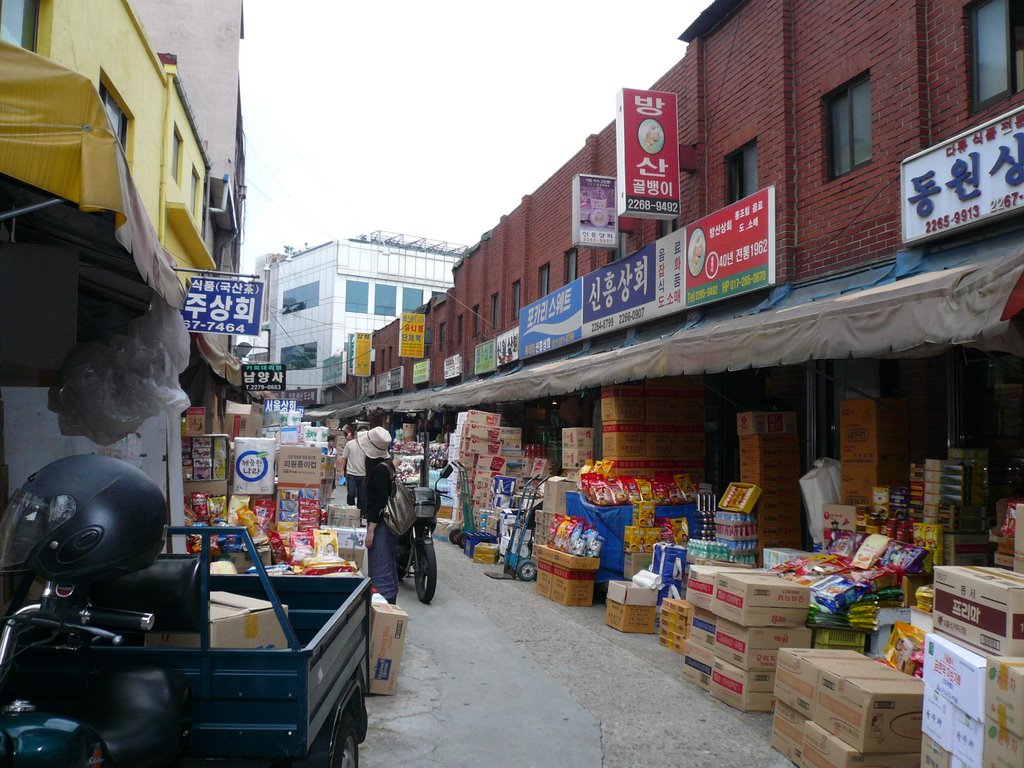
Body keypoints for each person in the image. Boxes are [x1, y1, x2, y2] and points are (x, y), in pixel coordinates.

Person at [361, 426, 398, 604]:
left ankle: (385, 613)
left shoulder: (380, 470)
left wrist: (371, 529)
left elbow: (380, 502)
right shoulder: (386, 466)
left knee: (380, 569)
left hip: (381, 524)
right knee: (386, 567)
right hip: (386, 523)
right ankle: (389, 609)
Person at [337, 426, 367, 515]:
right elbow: (344, 458)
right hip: (351, 473)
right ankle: (351, 510)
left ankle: (360, 515)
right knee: (351, 494)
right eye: (361, 433)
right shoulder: (349, 444)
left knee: (362, 497)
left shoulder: (368, 446)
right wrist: (341, 470)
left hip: (363, 474)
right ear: (356, 434)